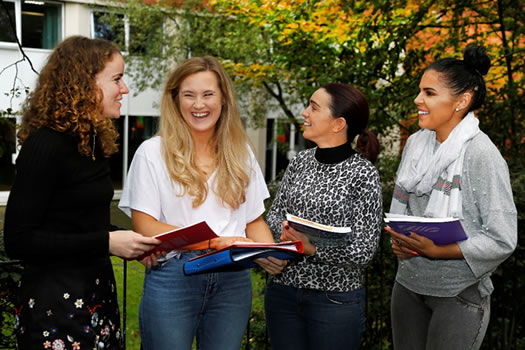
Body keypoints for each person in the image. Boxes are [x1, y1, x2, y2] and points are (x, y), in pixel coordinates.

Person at [3, 36, 160, 350]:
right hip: (55, 308)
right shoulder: (45, 145)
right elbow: (19, 239)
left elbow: (76, 224)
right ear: (82, 83)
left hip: (96, 298)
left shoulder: (92, 144)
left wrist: (128, 242)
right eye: (116, 79)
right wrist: (106, 241)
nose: (125, 89)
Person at [118, 55, 278, 350]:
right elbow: (146, 227)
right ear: (175, 100)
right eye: (188, 95)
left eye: (208, 94)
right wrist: (215, 242)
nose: (198, 104)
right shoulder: (152, 153)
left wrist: (272, 252)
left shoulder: (241, 151)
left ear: (224, 99)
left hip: (233, 281)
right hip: (174, 278)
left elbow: (253, 220)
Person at [386, 45, 517, 350]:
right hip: (406, 286)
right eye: (420, 91)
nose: (418, 100)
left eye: (429, 93)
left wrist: (439, 250)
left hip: (459, 295)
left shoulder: (481, 154)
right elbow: (402, 206)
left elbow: (502, 239)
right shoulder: (416, 144)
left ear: (462, 100)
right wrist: (401, 239)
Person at [261, 83, 383, 350]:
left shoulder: (363, 174)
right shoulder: (299, 162)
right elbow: (275, 213)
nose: (305, 113)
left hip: (335, 300)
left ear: (338, 123)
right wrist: (282, 233)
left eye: (314, 107)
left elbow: (364, 250)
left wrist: (312, 248)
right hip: (283, 291)